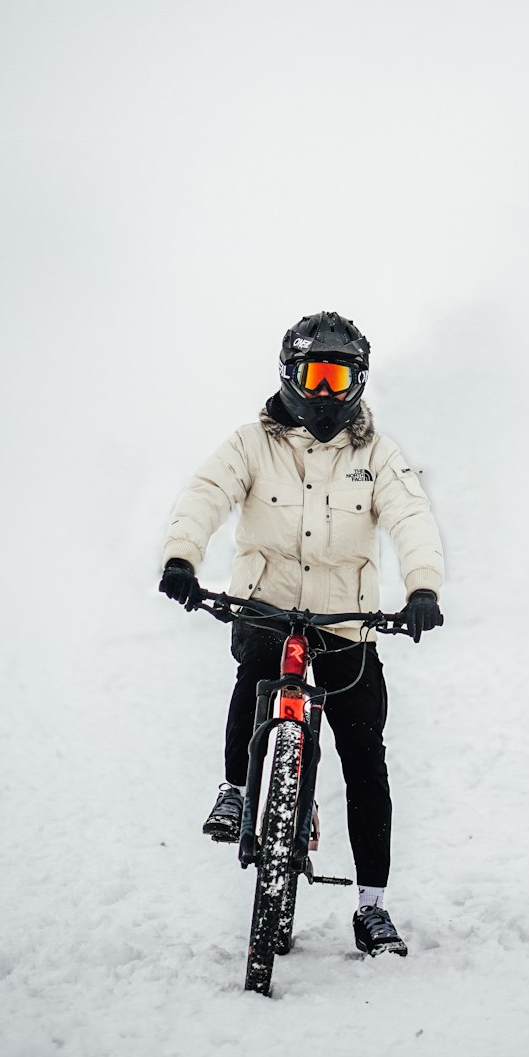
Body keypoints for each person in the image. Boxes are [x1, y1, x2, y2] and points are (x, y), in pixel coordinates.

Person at [159, 310, 444, 957]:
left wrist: (423, 586)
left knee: (366, 757)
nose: (323, 392)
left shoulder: (377, 454)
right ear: (289, 374)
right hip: (267, 600)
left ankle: (372, 908)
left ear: (358, 381)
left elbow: (411, 517)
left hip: (348, 619)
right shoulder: (251, 443)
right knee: (254, 673)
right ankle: (236, 791)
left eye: (336, 377)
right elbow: (206, 492)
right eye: (312, 374)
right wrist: (183, 556)